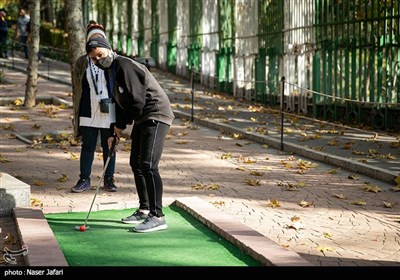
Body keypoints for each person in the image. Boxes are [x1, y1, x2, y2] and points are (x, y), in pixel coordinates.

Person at [85, 36, 175, 233]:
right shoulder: (111, 71)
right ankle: (144, 209)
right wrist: (113, 131)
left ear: (108, 50)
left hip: (156, 113)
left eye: (100, 55)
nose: (98, 61)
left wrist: (121, 125)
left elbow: (136, 101)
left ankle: (157, 216)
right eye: (94, 59)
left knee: (149, 165)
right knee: (136, 163)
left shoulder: (124, 65)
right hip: (143, 117)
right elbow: (117, 103)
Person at [71, 21, 118, 193]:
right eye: (93, 38)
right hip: (88, 108)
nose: (96, 41)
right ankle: (84, 179)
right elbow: (77, 86)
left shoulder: (113, 59)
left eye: (99, 38)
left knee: (110, 145)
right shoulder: (82, 61)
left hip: (109, 108)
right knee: (88, 145)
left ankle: (109, 179)